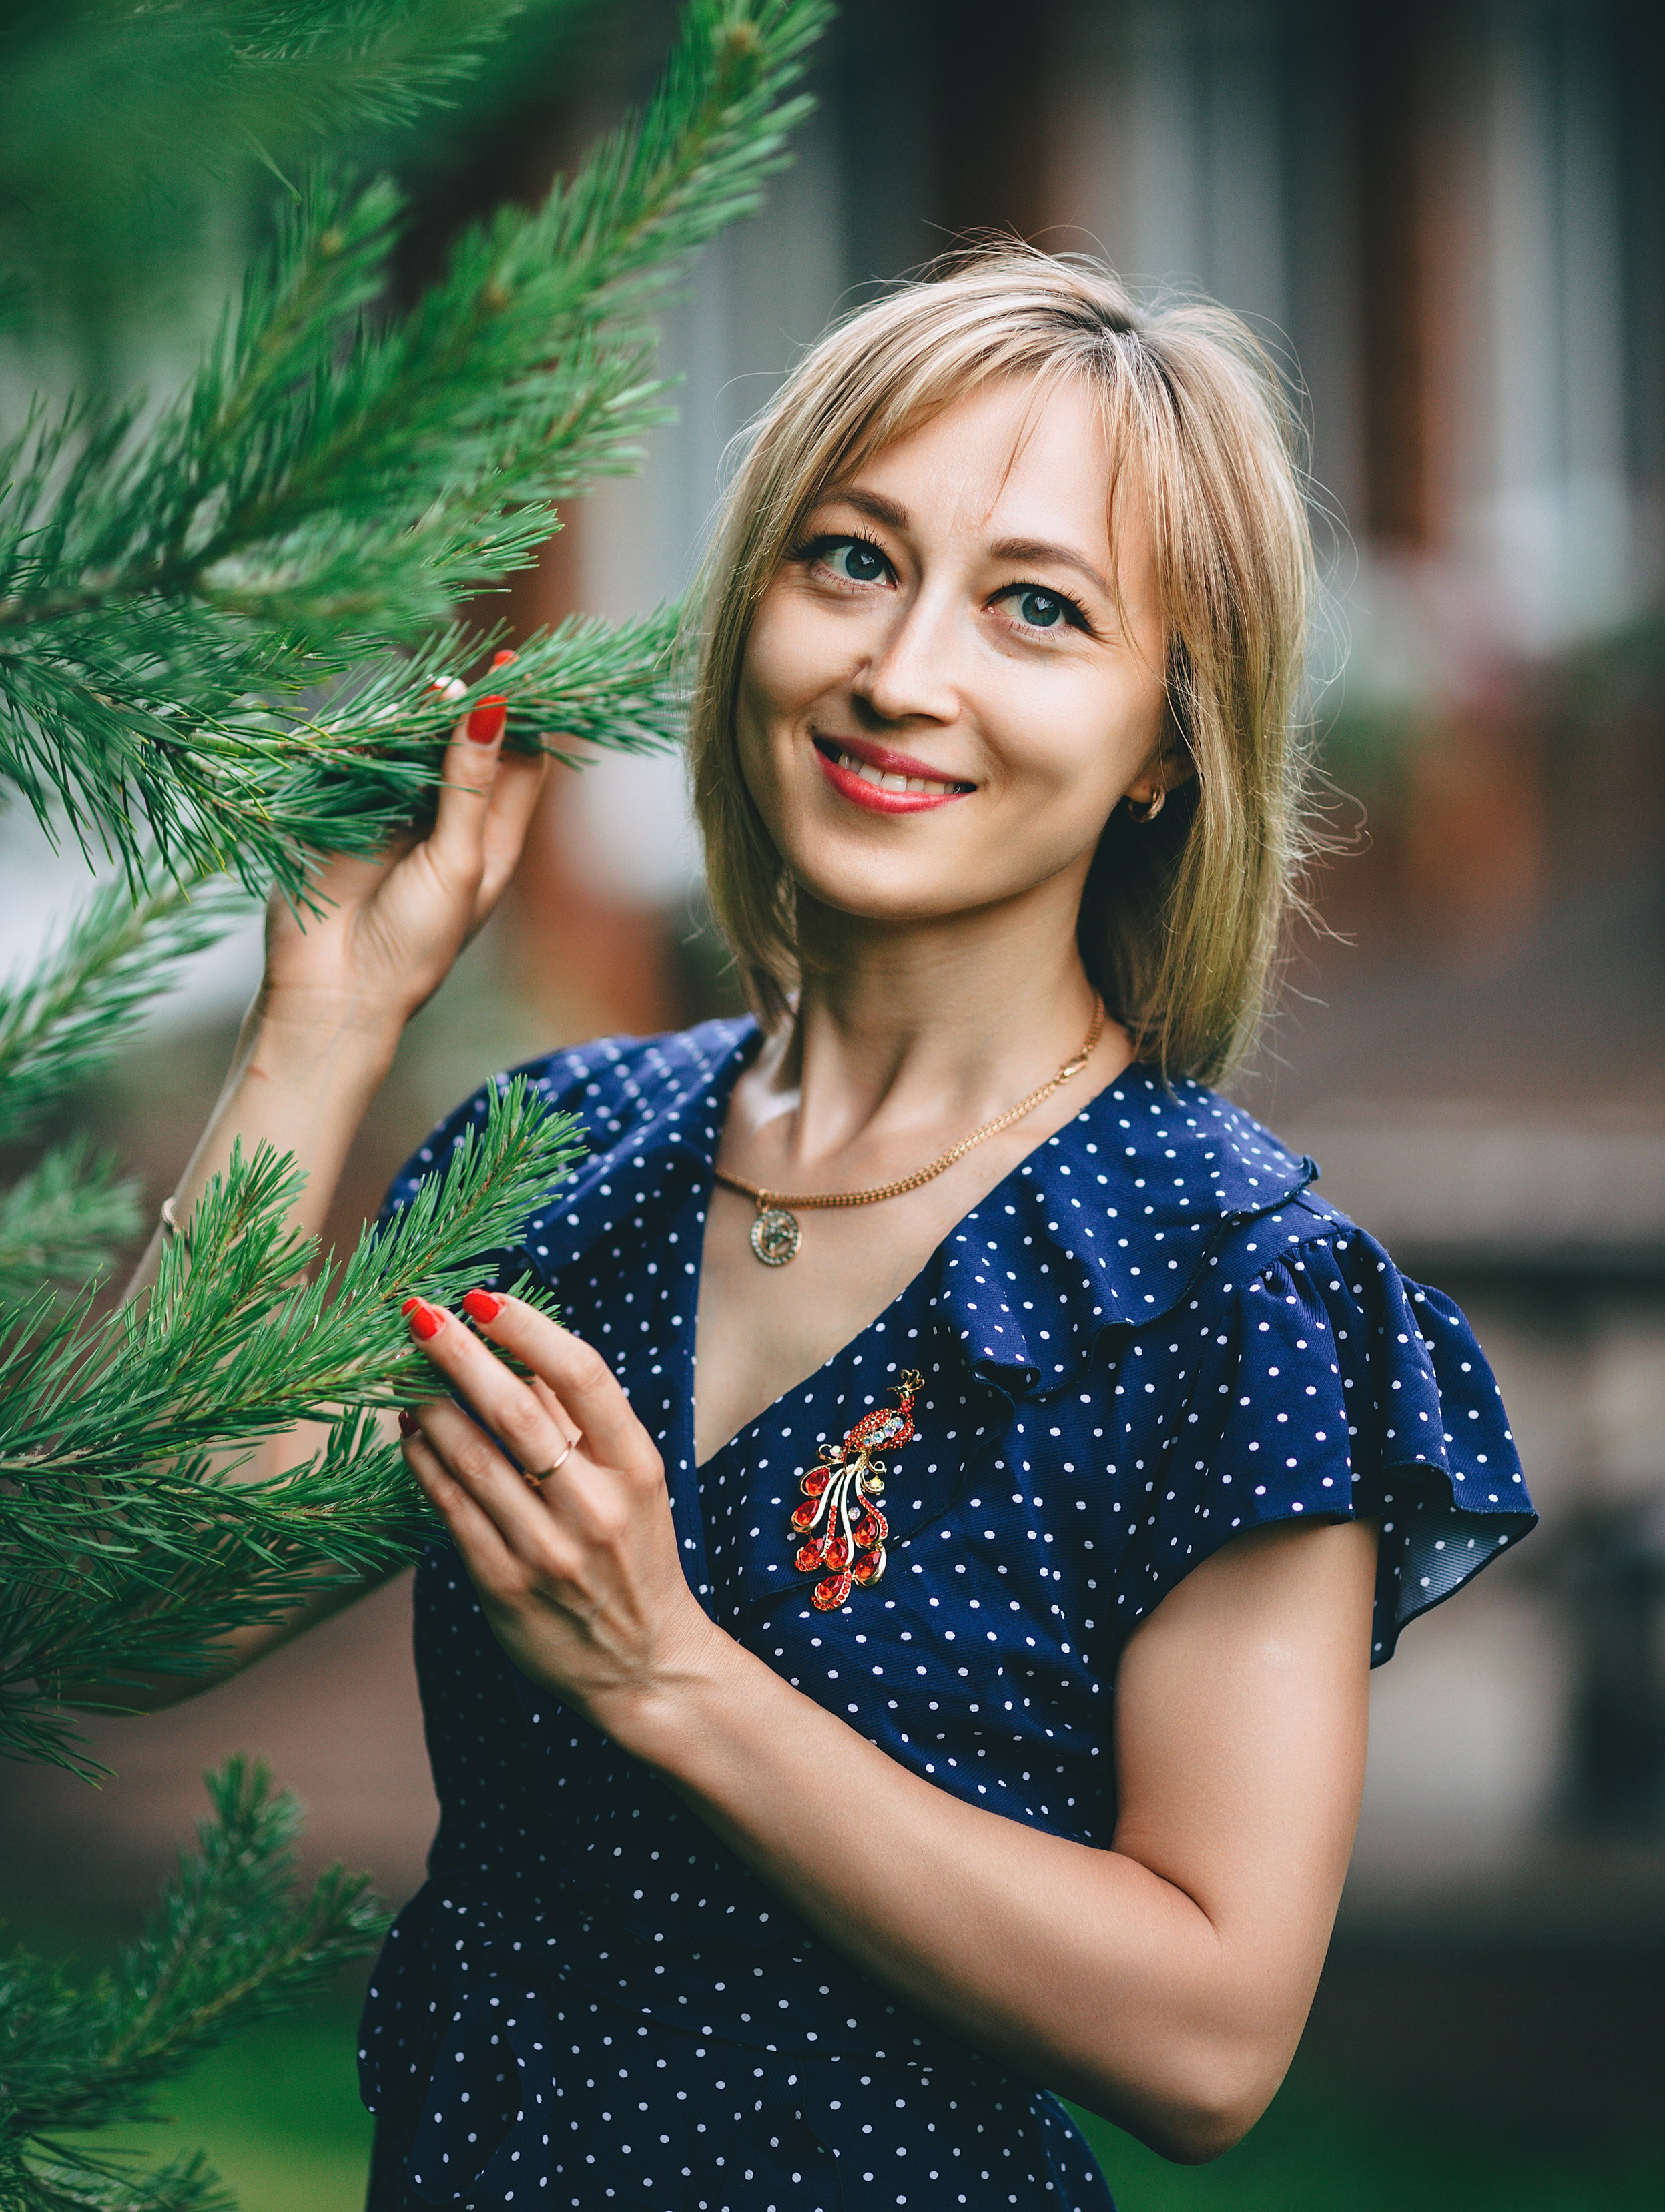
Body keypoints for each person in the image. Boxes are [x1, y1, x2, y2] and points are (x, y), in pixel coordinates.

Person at [137, 250, 1534, 2210]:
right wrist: (323, 1025)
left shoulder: (1234, 1295)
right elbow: (148, 1606)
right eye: (853, 561)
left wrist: (670, 1679)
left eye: (1037, 609)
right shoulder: (560, 1160)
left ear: (1165, 744)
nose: (904, 672)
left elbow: (1210, 2039)